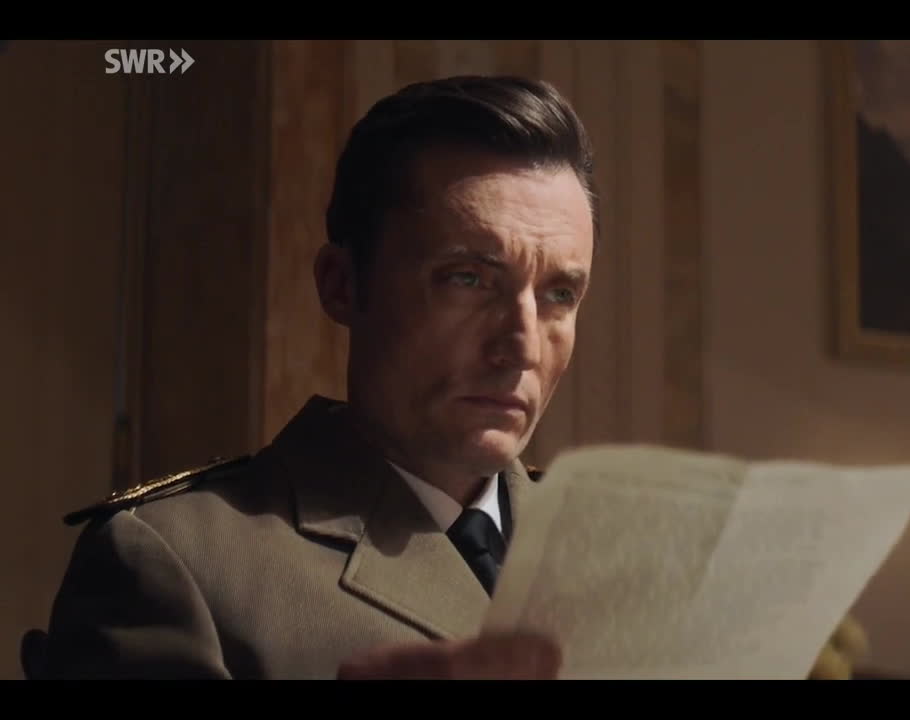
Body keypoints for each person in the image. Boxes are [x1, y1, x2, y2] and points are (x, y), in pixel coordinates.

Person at [25, 75, 865, 680]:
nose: (522, 343)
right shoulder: (180, 563)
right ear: (342, 285)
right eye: (468, 279)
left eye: (560, 294)